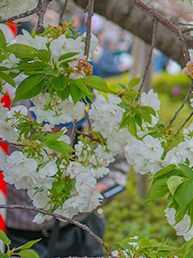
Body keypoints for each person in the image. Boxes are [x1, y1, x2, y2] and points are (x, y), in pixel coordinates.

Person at [6, 104, 129, 257]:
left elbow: (118, 165)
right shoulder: (10, 118)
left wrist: (101, 190)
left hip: (75, 232)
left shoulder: (95, 117)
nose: (56, 131)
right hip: (17, 235)